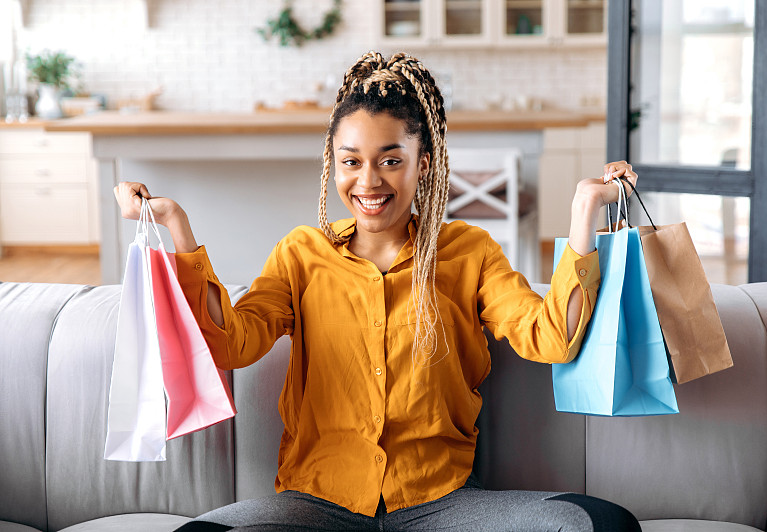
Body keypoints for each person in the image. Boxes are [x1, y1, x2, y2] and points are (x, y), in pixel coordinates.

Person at [114, 51, 641, 532]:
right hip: (315, 505)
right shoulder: (302, 253)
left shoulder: (469, 251)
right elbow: (233, 345)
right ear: (334, 165)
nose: (369, 182)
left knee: (602, 525)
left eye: (391, 159)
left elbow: (552, 339)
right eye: (352, 161)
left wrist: (583, 213)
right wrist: (175, 224)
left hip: (443, 505)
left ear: (424, 163)